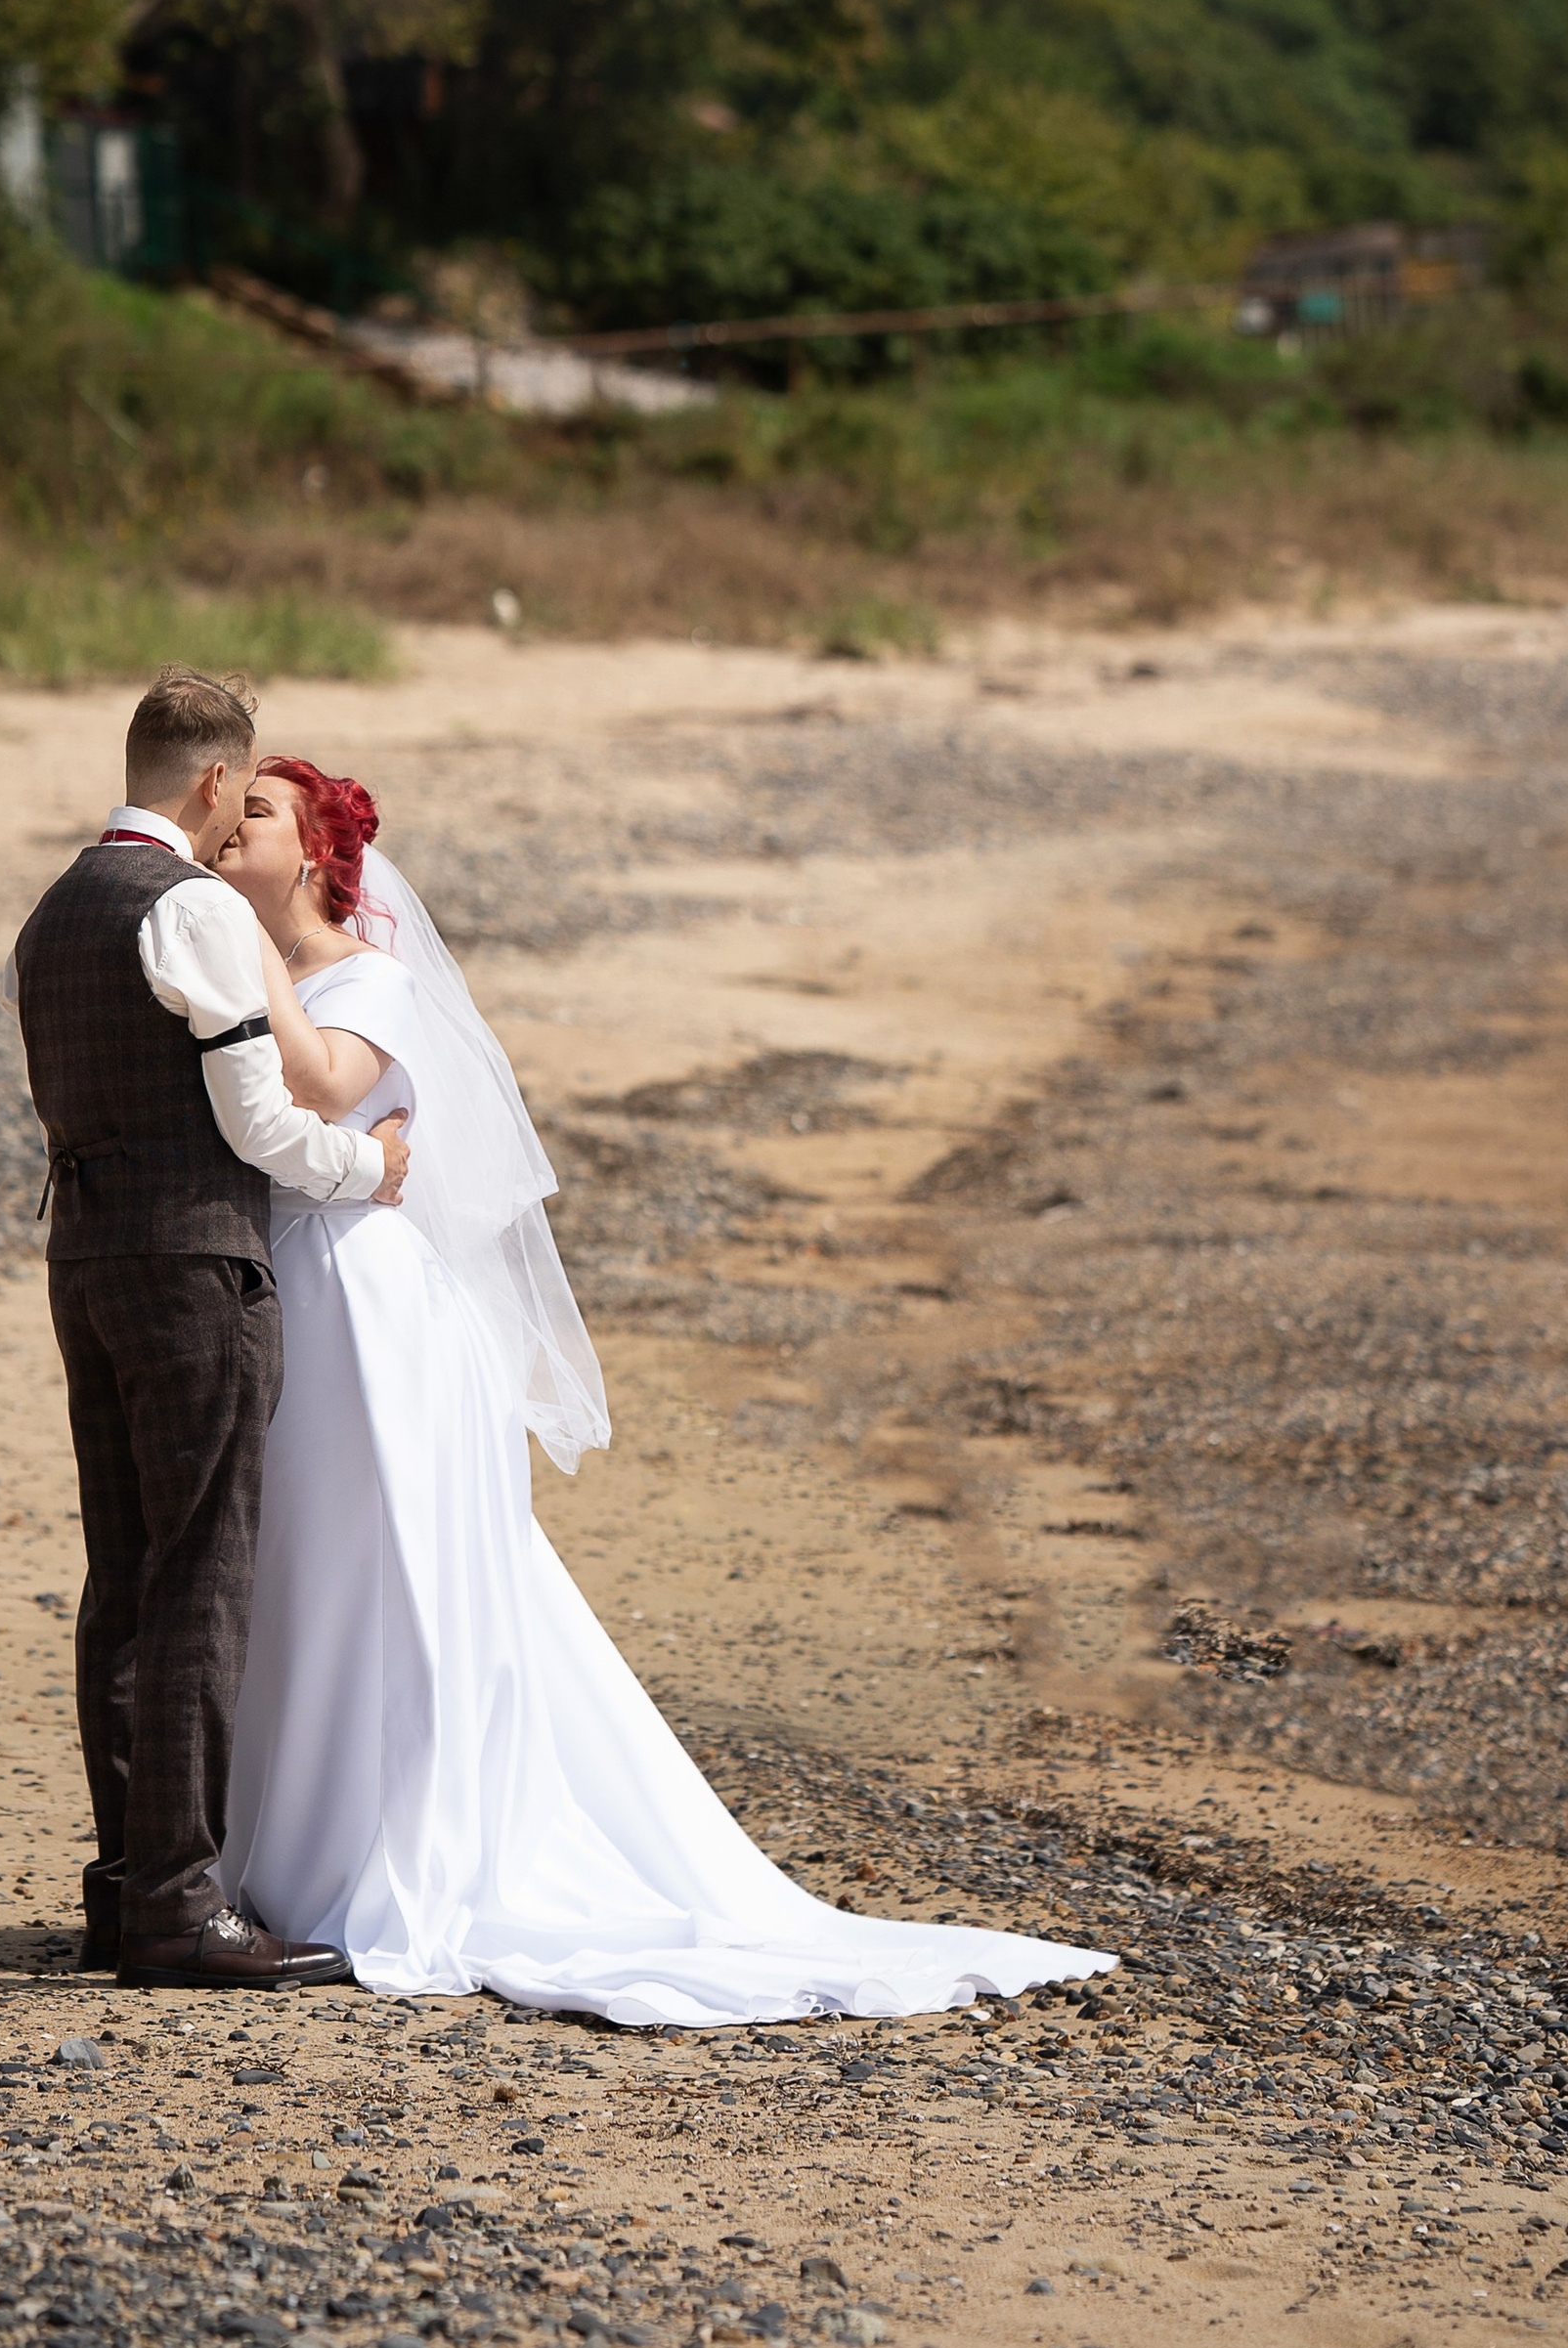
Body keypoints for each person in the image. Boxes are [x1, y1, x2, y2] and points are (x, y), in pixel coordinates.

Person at [209, 755, 1114, 2025]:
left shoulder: (370, 978)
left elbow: (325, 1087)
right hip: (293, 1294)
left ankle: (380, 1855)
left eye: (255, 811)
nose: (223, 824)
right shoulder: (245, 967)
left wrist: (241, 954)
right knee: (306, 1567)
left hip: (376, 1314)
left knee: (390, 1567)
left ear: (311, 854)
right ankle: (288, 1855)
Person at [4, 671, 411, 1990]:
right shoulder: (188, 908)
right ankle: (180, 1906)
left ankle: (127, 1887)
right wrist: (376, 1170)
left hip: (85, 1258)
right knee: (197, 1578)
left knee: (121, 1575)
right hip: (193, 1267)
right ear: (213, 784)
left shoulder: (53, 911)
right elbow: (259, 1127)